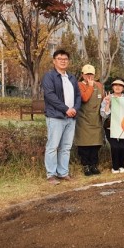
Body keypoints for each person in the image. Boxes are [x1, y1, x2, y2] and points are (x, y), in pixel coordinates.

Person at [42, 49, 81, 185]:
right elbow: (50, 96)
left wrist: (75, 109)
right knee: (53, 146)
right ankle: (51, 174)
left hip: (71, 118)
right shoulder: (49, 76)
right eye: (60, 58)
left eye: (65, 59)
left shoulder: (71, 78)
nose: (63, 61)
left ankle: (63, 172)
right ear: (54, 61)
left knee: (66, 147)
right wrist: (66, 109)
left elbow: (78, 95)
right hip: (56, 117)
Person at [74, 64, 104, 176]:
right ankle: (85, 166)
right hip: (84, 120)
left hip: (96, 119)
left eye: (91, 74)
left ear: (94, 74)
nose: (89, 76)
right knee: (84, 145)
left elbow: (102, 99)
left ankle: (94, 165)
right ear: (82, 75)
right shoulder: (79, 85)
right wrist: (90, 86)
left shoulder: (100, 85)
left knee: (96, 145)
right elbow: (85, 98)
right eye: (86, 74)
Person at [101, 78, 124, 174]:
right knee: (115, 146)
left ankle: (122, 164)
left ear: (123, 88)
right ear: (112, 87)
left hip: (123, 126)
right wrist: (108, 104)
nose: (117, 87)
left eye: (120, 85)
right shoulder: (108, 98)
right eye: (115, 85)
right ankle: (115, 166)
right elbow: (103, 114)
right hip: (110, 126)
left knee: (123, 147)